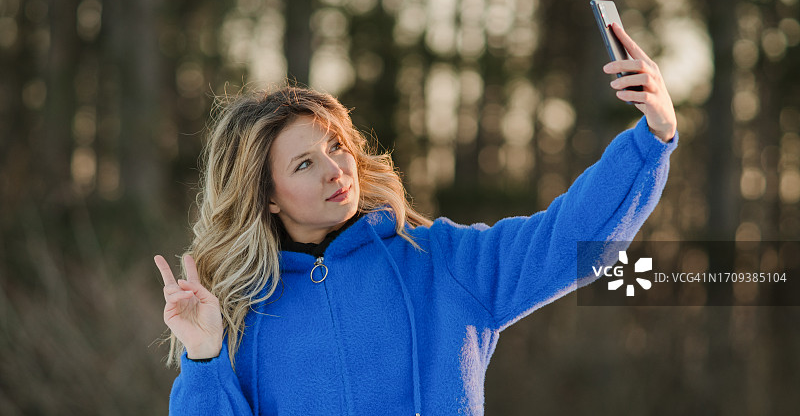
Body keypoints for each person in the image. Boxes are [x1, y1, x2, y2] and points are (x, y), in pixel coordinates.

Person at [154, 23, 678, 415]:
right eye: (304, 163)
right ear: (266, 197)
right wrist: (203, 358)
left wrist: (650, 140)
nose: (336, 169)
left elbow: (566, 240)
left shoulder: (441, 263)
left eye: (337, 146)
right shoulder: (243, 313)